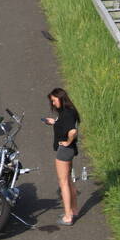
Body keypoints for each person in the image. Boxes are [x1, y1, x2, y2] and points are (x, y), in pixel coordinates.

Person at [43, 88, 80, 226]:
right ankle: (74, 210)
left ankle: (67, 216)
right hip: (69, 150)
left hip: (64, 151)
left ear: (60, 98)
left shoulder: (67, 113)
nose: (52, 103)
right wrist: (54, 122)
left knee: (63, 182)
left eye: (53, 100)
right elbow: (66, 125)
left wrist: (67, 142)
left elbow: (73, 131)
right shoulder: (68, 111)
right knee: (69, 181)